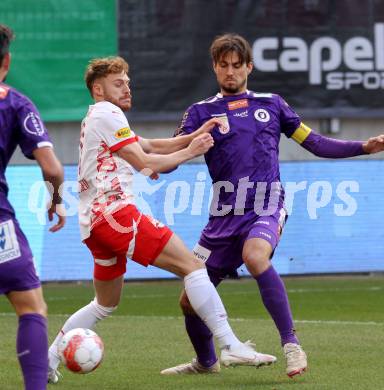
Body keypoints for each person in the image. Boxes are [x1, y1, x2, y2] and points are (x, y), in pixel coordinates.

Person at [160, 33, 384, 378]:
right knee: (189, 300)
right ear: (215, 68)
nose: (230, 72)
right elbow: (174, 155)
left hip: (266, 203)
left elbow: (316, 143)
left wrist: (363, 147)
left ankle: (292, 345)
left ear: (249, 66)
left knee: (255, 256)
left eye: (237, 65)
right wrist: (169, 157)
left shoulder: (272, 104)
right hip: (222, 216)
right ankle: (206, 363)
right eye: (223, 65)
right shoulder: (200, 112)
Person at [47, 56, 277, 383]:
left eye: (127, 81)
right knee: (193, 267)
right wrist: (192, 150)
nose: (127, 87)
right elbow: (144, 162)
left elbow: (150, 145)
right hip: (116, 215)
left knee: (104, 303)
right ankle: (231, 344)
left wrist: (193, 135)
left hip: (94, 226)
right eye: (118, 83)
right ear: (98, 89)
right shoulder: (107, 113)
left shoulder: (100, 117)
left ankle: (49, 358)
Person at [0, 25, 65, 390]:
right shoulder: (15, 103)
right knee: (31, 308)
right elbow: (53, 167)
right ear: (6, 61)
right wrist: (56, 200)